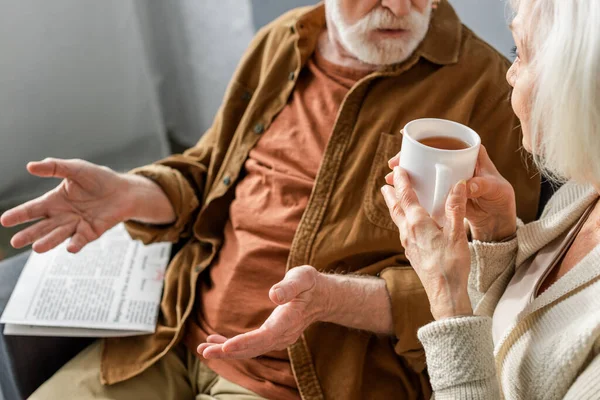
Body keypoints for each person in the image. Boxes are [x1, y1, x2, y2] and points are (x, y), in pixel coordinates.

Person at [1, 1, 540, 399]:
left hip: (298, 380)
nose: (396, 6)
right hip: (171, 338)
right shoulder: (281, 41)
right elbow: (208, 172)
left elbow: (494, 287)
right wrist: (132, 194)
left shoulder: (488, 91)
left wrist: (332, 299)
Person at [381, 0, 600, 398]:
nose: (509, 74)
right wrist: (495, 238)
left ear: (577, 80)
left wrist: (447, 301)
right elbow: (509, 329)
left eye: (520, 53)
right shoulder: (583, 191)